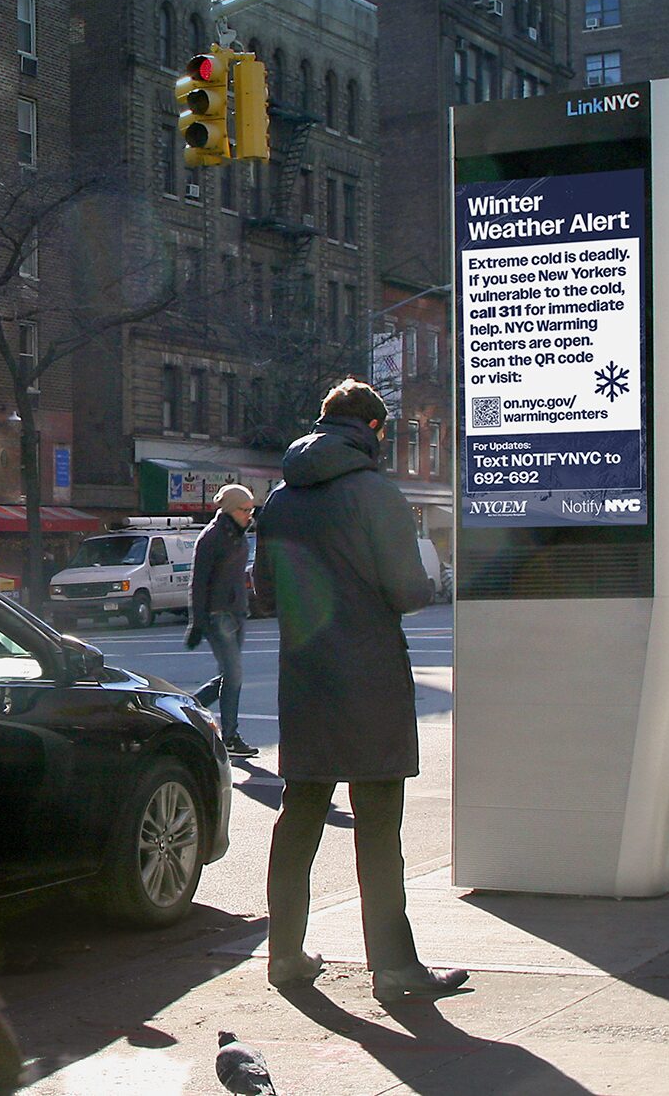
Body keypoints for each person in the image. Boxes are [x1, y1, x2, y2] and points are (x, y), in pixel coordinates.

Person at [254, 379, 465, 1002]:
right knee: (377, 826)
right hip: (369, 677)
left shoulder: (281, 499)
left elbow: (265, 594)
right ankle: (395, 970)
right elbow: (406, 592)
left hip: (306, 677)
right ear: (374, 430)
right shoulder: (378, 494)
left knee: (300, 818)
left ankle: (285, 956)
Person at [190, 483, 258, 757]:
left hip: (238, 611)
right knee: (234, 674)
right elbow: (198, 583)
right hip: (217, 615)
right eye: (244, 510)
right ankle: (229, 736)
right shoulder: (211, 537)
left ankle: (188, 706)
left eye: (251, 510)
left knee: (230, 675)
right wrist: (197, 621)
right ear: (230, 509)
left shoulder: (239, 535)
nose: (249, 515)